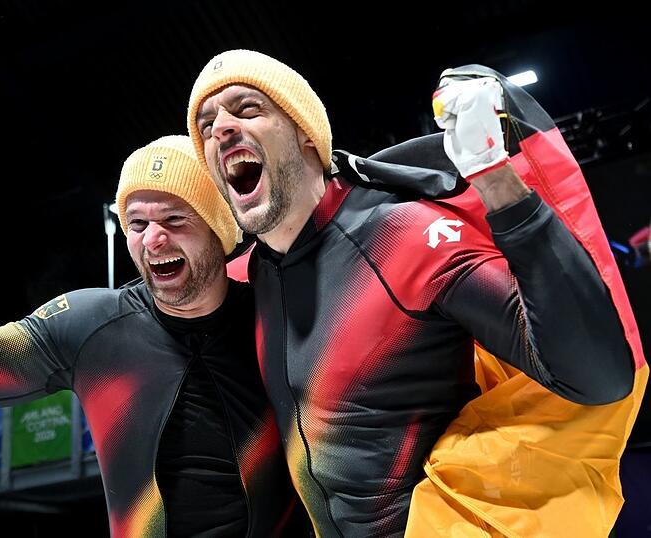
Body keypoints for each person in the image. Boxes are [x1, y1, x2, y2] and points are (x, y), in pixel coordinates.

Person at [187, 50, 643, 536]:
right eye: (207, 122)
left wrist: (494, 177)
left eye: (248, 109)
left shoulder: (402, 235)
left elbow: (598, 380)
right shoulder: (243, 282)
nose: (221, 128)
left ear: (305, 132)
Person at [0, 135, 305, 537]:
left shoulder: (276, 302)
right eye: (136, 222)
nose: (153, 239)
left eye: (175, 219)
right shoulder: (92, 326)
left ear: (219, 227)